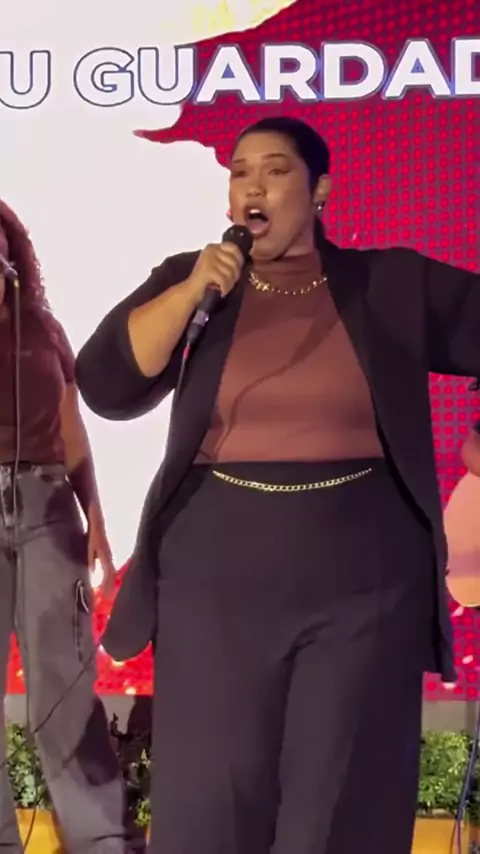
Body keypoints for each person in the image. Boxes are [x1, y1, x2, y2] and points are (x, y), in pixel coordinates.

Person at [75, 116, 480, 854]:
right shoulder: (196, 282)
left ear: (320, 190)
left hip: (364, 580)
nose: (252, 186)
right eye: (239, 172)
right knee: (214, 797)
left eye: (275, 169)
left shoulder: (391, 282)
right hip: (214, 577)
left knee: (340, 798)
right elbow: (106, 384)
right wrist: (192, 290)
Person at [0, 199, 128, 853]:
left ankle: (101, 839)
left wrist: (96, 514)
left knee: (65, 686)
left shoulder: (44, 328)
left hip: (47, 504)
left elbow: (71, 426)